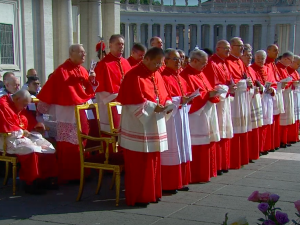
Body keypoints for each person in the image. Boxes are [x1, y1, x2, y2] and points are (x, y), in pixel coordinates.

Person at [118, 47, 173, 206]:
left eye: (160, 64)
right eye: (156, 63)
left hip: (153, 123)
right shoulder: (133, 75)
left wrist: (167, 104)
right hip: (137, 125)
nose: (158, 67)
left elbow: (164, 94)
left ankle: (152, 193)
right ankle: (139, 197)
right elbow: (132, 101)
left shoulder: (156, 74)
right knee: (139, 164)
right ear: (146, 59)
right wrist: (152, 107)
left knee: (153, 160)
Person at [37, 44, 98, 183]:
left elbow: (87, 91)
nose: (84, 55)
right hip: (67, 110)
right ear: (71, 53)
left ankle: (84, 171)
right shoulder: (62, 71)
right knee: (69, 144)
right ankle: (70, 176)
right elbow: (55, 89)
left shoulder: (82, 70)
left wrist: (91, 80)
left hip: (81, 109)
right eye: (81, 52)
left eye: (85, 52)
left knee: (83, 140)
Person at [0, 90, 58, 194]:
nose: (24, 107)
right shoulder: (3, 105)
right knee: (32, 149)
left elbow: (25, 119)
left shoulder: (18, 103)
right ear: (17, 99)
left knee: (48, 146)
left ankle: (45, 179)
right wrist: (22, 132)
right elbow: (7, 127)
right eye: (24, 105)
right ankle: (30, 182)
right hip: (9, 139)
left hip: (24, 135)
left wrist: (35, 125)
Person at [181, 49, 220, 183]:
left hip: (206, 112)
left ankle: (206, 173)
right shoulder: (185, 75)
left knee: (207, 142)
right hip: (195, 116)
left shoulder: (201, 73)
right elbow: (189, 97)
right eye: (203, 63)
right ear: (195, 61)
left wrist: (213, 93)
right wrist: (207, 95)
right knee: (197, 144)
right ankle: (196, 175)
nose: (205, 66)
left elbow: (206, 90)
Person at [160, 49, 192, 194]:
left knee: (182, 145)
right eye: (175, 59)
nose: (179, 62)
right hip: (170, 118)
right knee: (173, 147)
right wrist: (179, 100)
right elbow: (163, 99)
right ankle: (169, 183)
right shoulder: (163, 77)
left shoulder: (180, 76)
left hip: (181, 115)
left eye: (179, 59)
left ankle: (181, 180)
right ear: (165, 61)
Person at [203, 40, 234, 175]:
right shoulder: (212, 63)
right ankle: (218, 164)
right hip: (217, 102)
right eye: (225, 48)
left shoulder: (224, 63)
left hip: (225, 101)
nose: (228, 51)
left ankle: (224, 163)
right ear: (218, 49)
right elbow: (213, 85)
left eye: (229, 48)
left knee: (225, 130)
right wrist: (227, 88)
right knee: (219, 130)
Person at [94, 34, 131, 133]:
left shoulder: (126, 63)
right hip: (109, 107)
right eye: (118, 44)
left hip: (127, 107)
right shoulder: (103, 64)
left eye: (123, 44)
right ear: (110, 45)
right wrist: (118, 97)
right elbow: (101, 91)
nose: (121, 46)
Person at [225, 37, 252, 169]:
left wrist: (248, 82)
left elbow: (243, 76)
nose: (242, 48)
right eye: (239, 46)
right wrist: (243, 83)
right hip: (234, 99)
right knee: (235, 127)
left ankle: (242, 158)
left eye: (242, 46)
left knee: (243, 126)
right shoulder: (228, 61)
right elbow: (230, 80)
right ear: (231, 46)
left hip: (242, 97)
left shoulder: (240, 62)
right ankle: (234, 159)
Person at [251, 50, 277, 155]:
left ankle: (265, 146)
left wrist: (272, 89)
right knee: (259, 124)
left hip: (267, 98)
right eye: (258, 58)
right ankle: (258, 148)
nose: (260, 60)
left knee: (267, 123)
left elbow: (274, 83)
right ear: (255, 58)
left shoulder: (268, 69)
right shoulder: (251, 69)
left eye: (262, 58)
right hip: (258, 98)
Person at [240, 47, 263, 161]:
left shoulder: (251, 68)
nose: (249, 57)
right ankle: (248, 154)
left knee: (255, 127)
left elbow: (256, 81)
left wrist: (259, 87)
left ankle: (254, 152)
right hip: (246, 101)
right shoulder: (241, 68)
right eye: (246, 55)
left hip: (255, 99)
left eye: (250, 55)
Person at [265, 44, 284, 150]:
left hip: (276, 92)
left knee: (275, 119)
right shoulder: (267, 64)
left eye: (277, 50)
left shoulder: (273, 63)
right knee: (270, 119)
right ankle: (269, 144)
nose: (277, 53)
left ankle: (274, 143)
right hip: (270, 94)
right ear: (268, 51)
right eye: (275, 50)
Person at [276, 52, 295, 148]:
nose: (291, 63)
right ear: (286, 59)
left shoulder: (284, 68)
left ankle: (285, 138)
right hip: (282, 94)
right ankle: (281, 140)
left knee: (287, 117)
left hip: (287, 93)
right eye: (290, 61)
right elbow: (278, 81)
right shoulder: (278, 67)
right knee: (283, 118)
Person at [287, 55, 300, 143]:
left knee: (296, 117)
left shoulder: (295, 72)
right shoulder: (288, 70)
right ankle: (291, 136)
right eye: (298, 64)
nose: (299, 66)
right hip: (290, 95)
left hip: (296, 95)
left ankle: (295, 135)